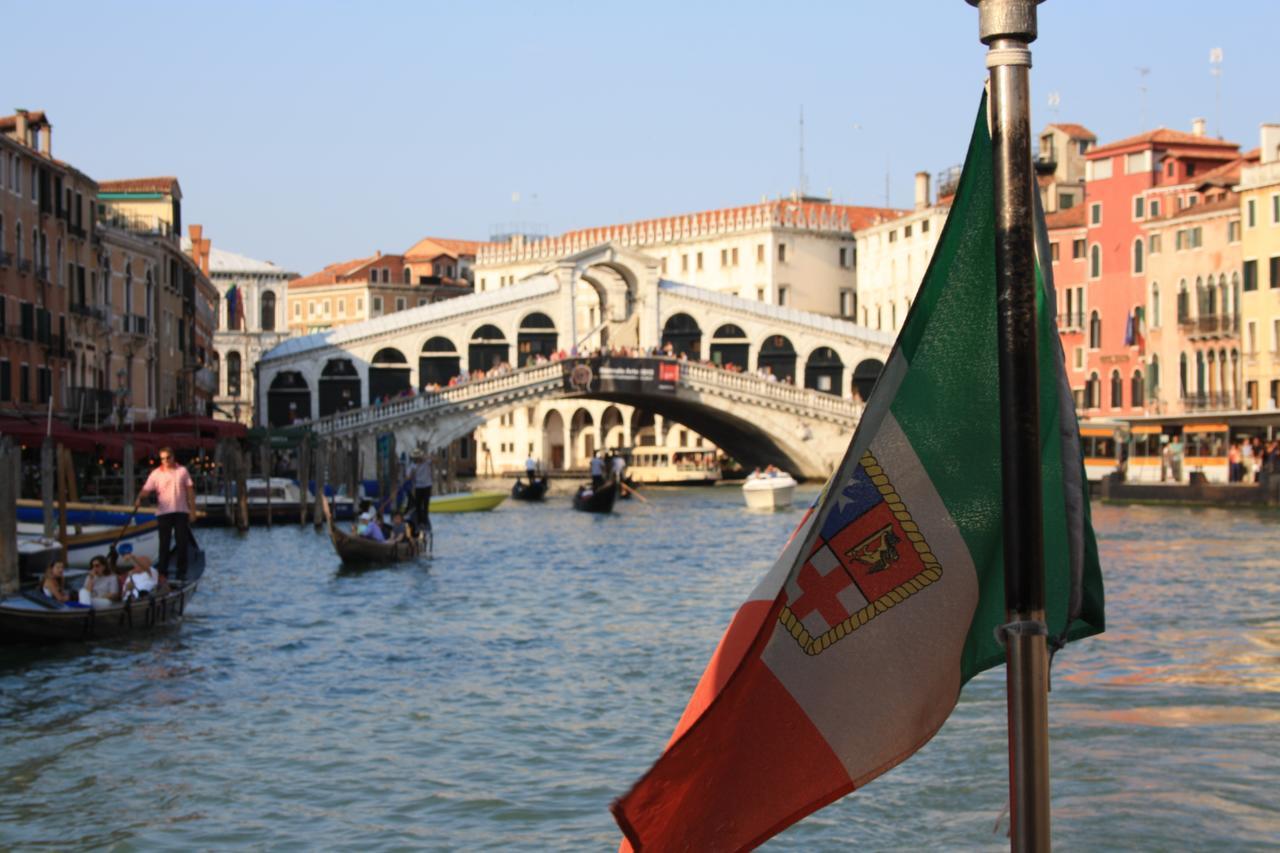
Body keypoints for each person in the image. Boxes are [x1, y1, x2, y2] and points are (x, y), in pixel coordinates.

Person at [137, 447, 198, 580]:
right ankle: (162, 572)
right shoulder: (156, 473)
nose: (165, 461)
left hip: (181, 511)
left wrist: (192, 511)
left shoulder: (182, 471)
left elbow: (190, 491)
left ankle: (182, 570)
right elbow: (146, 490)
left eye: (168, 458)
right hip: (164, 513)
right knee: (164, 544)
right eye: (163, 458)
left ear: (173, 457)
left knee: (182, 542)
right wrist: (139, 498)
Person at [405, 448, 434, 531]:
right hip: (418, 486)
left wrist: (427, 457)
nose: (418, 459)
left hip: (427, 485)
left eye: (419, 457)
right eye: (416, 458)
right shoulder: (412, 465)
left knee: (425, 505)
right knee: (418, 505)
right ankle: (420, 522)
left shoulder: (426, 462)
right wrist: (411, 473)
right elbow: (407, 477)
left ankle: (424, 523)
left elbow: (436, 460)